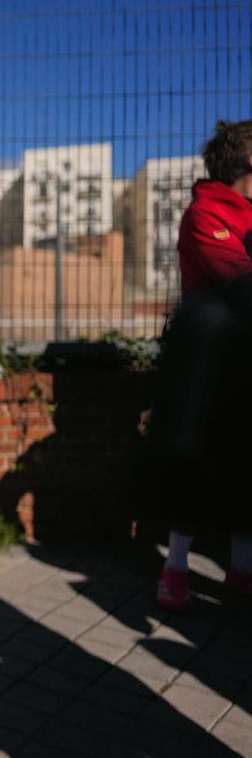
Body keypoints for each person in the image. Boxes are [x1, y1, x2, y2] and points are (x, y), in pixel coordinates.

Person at [150, 119, 252, 611]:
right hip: (210, 366)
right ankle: (174, 570)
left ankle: (241, 570)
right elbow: (239, 282)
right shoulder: (205, 213)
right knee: (196, 467)